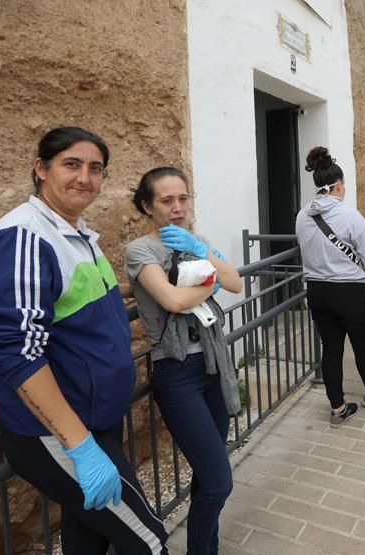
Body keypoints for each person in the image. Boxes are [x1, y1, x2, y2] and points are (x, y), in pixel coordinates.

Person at [0, 127, 169, 554]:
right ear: (41, 169)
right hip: (55, 432)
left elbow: (77, 298)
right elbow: (15, 349)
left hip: (95, 418)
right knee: (148, 540)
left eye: (95, 168)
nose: (85, 177)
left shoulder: (76, 232)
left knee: (90, 539)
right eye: (71, 164)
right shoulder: (25, 235)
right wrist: (79, 446)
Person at [124, 166, 242, 555]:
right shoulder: (141, 250)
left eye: (183, 198)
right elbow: (173, 301)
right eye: (166, 200)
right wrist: (210, 280)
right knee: (219, 479)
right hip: (177, 372)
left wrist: (200, 251)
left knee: (210, 474)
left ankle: (207, 545)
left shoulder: (195, 240)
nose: (177, 208)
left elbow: (237, 283)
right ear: (147, 206)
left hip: (212, 364)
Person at [296, 146, 365, 427]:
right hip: (350, 292)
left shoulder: (301, 216)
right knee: (362, 346)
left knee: (330, 349)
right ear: (337, 185)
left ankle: (338, 408)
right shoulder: (350, 216)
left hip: (317, 291)